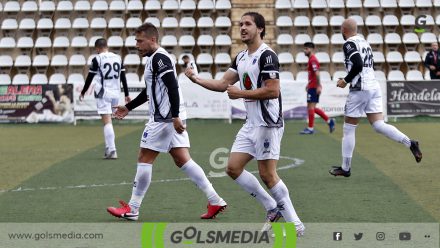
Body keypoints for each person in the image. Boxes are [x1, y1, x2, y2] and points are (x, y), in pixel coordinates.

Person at [185, 12, 305, 237]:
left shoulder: (267, 56)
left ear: (260, 29)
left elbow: (273, 90)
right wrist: (195, 78)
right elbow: (222, 84)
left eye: (248, 24)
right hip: (251, 124)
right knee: (233, 168)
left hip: (268, 124)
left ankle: (296, 224)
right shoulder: (240, 57)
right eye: (240, 24)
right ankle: (271, 207)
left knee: (268, 175)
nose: (242, 27)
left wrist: (241, 93)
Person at [107, 23, 227, 221]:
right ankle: (215, 200)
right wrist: (128, 107)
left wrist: (174, 116)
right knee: (182, 159)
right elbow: (150, 91)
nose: (136, 45)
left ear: (152, 39)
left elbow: (172, 86)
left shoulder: (160, 58)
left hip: (164, 118)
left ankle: (133, 208)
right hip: (169, 116)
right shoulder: (154, 59)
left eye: (140, 41)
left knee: (144, 158)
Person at [329, 18, 423, 177]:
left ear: (344, 30)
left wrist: (345, 80)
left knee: (349, 128)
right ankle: (410, 143)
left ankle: (345, 168)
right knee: (378, 124)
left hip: (360, 89)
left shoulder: (349, 44)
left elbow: (357, 64)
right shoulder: (365, 42)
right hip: (373, 86)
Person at [79, 38, 130, 159]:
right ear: (107, 46)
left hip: (103, 93)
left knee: (107, 121)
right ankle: (108, 149)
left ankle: (112, 150)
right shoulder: (118, 58)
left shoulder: (97, 59)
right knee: (109, 121)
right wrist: (127, 94)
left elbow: (90, 77)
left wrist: (83, 92)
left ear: (97, 48)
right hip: (115, 93)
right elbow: (123, 77)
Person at [299, 42, 335, 135]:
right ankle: (329, 121)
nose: (304, 50)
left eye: (306, 49)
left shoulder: (313, 60)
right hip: (312, 86)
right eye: (304, 48)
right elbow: (313, 75)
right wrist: (309, 84)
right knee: (311, 108)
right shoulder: (311, 59)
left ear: (311, 49)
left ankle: (310, 128)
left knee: (311, 107)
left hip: (314, 87)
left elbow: (317, 73)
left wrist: (318, 86)